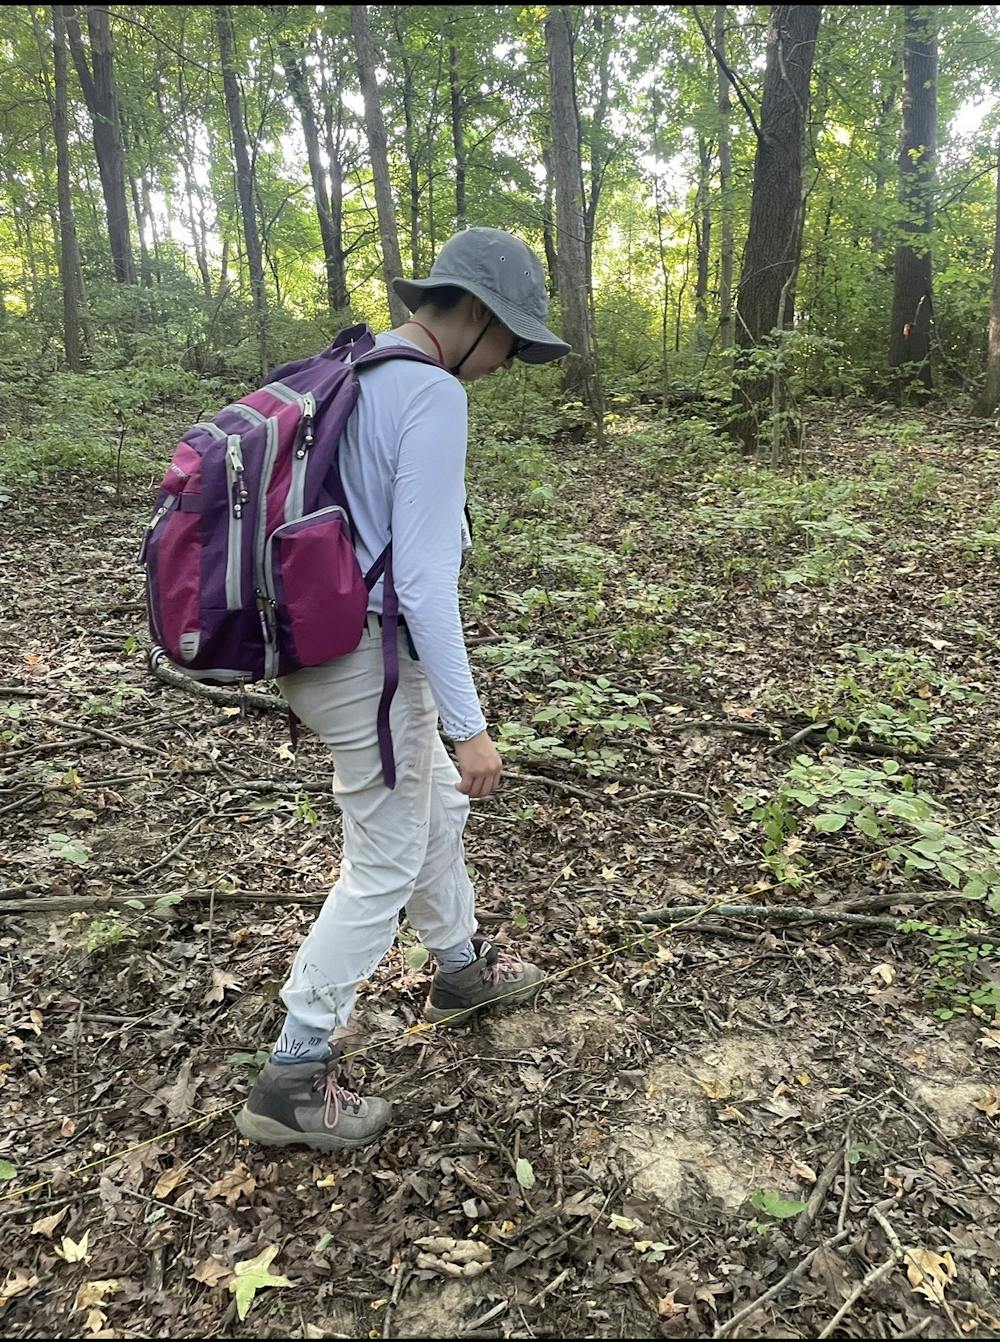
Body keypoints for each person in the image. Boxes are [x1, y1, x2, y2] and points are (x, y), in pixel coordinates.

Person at [236, 228, 571, 1151]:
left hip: (329, 647)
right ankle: (293, 1073)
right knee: (382, 858)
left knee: (430, 817)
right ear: (468, 314)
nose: (508, 361)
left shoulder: (360, 370)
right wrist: (470, 727)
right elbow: (424, 581)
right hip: (372, 661)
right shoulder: (429, 392)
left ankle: (459, 964)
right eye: (508, 337)